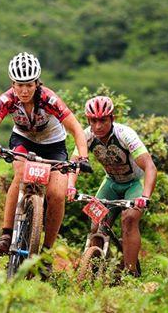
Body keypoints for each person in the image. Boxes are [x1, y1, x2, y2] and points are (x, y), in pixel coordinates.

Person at [0, 52, 91, 256]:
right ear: (12, 83)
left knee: (57, 194)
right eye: (19, 85)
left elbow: (76, 128)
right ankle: (6, 233)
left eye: (29, 85)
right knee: (21, 172)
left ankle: (47, 251)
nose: (24, 90)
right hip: (23, 140)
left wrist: (83, 158)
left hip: (53, 145)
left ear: (37, 83)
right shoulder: (7, 99)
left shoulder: (49, 99)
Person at [67, 96, 157, 276]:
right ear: (88, 120)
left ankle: (130, 274)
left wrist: (145, 196)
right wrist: (70, 186)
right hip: (111, 183)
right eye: (93, 121)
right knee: (96, 223)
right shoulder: (86, 136)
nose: (98, 126)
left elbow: (150, 167)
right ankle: (93, 269)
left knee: (129, 219)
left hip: (133, 184)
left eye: (103, 120)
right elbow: (73, 164)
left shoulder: (125, 135)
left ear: (112, 119)